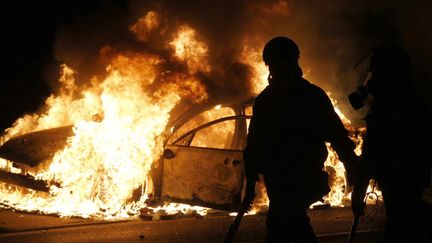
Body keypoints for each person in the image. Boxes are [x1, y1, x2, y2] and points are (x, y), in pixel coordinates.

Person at [244, 36, 359, 242]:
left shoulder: (301, 97)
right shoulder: (286, 98)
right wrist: (250, 180)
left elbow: (336, 135)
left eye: (278, 62)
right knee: (287, 224)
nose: (276, 68)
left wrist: (351, 164)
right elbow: (254, 144)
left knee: (285, 223)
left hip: (299, 175)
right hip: (283, 177)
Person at [351, 45, 432, 242]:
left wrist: (359, 190)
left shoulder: (389, 106)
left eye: (374, 71)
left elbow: (372, 151)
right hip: (412, 175)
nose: (370, 77)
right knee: (408, 217)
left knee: (399, 226)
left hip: (397, 175)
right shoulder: (413, 99)